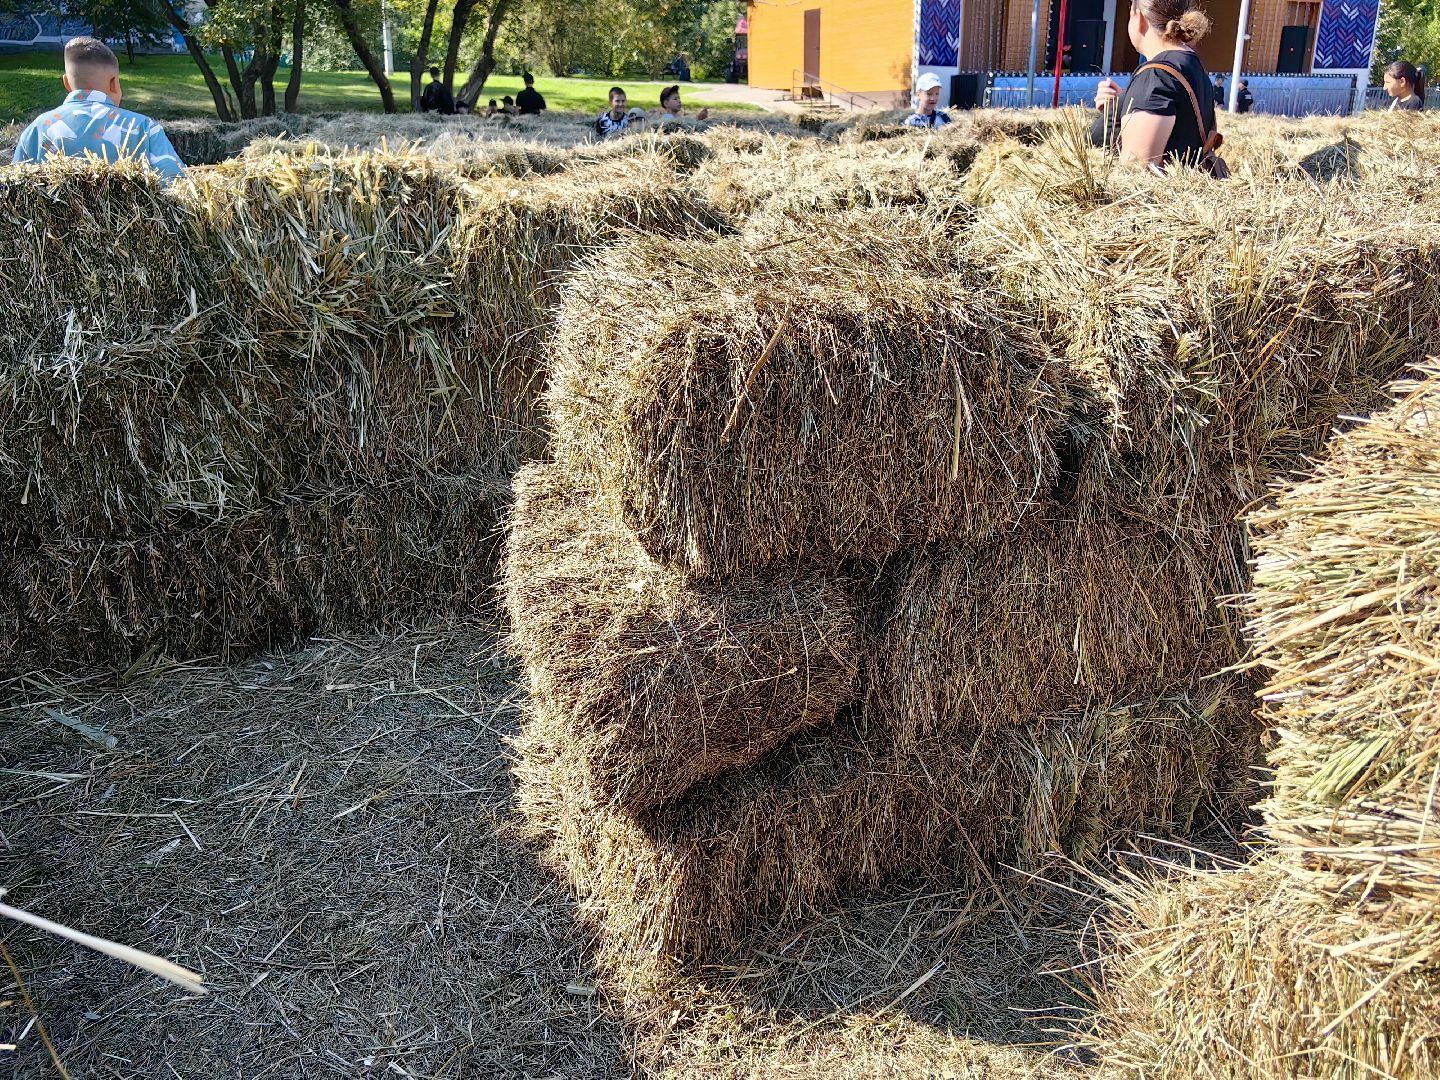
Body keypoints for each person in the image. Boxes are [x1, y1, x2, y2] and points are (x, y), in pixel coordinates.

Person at [11, 36, 184, 180]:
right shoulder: (143, 128)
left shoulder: (36, 130)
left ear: (66, 83)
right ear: (114, 83)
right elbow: (176, 186)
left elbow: (13, 189)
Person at [1093, 0, 1218, 167]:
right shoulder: (1189, 64)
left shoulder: (1158, 76)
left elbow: (1138, 169)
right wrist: (1120, 106)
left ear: (1139, 18)